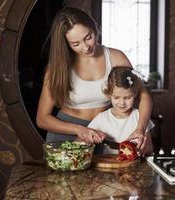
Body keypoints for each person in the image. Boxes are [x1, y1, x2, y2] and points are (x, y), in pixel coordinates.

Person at [36, 7, 152, 151]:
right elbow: (42, 118)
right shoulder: (57, 68)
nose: (85, 47)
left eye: (88, 37)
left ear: (95, 28)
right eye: (75, 44)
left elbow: (144, 96)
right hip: (66, 134)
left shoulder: (117, 58)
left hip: (107, 133)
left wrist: (140, 128)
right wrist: (79, 130)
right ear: (66, 43)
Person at [88, 67, 154, 155]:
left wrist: (139, 150)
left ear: (135, 94)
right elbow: (83, 139)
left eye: (127, 97)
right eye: (116, 97)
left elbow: (150, 148)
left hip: (135, 165)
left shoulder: (141, 117)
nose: (122, 103)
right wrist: (91, 139)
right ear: (109, 94)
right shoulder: (102, 118)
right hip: (109, 165)